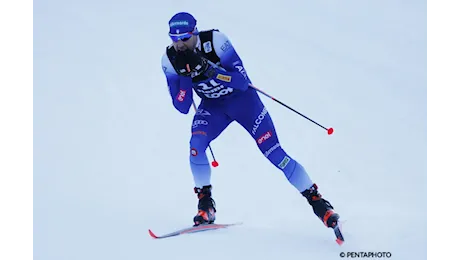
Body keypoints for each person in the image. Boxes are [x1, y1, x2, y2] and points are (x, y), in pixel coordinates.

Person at [161, 12, 340, 229]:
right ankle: (205, 204)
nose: (179, 44)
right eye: (174, 39)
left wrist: (210, 70)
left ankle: (318, 202)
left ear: (195, 33)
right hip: (214, 108)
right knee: (196, 146)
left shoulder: (216, 42)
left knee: (274, 153)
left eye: (185, 38)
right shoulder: (169, 60)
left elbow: (242, 82)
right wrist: (185, 76)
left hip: (244, 103)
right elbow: (181, 106)